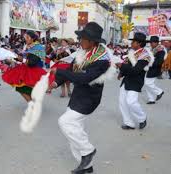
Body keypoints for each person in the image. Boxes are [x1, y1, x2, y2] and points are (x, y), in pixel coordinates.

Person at [49, 22, 113, 174]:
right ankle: (86, 166)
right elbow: (71, 70)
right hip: (78, 96)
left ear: (92, 41)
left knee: (65, 122)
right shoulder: (82, 52)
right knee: (76, 130)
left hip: (89, 99)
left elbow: (84, 78)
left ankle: (88, 151)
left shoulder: (102, 60)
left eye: (83, 38)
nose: (80, 41)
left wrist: (59, 72)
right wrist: (56, 83)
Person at [116, 32, 153, 130]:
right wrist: (121, 73)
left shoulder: (145, 56)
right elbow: (128, 65)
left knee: (131, 101)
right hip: (127, 80)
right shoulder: (132, 53)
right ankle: (129, 123)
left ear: (139, 43)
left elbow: (136, 70)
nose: (131, 44)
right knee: (122, 102)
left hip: (136, 81)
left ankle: (142, 118)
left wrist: (121, 66)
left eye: (134, 42)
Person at [2, 30, 46, 102]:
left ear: (33, 38)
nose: (25, 39)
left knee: (26, 89)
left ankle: (33, 105)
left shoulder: (38, 47)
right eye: (25, 37)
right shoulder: (28, 46)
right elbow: (23, 57)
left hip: (34, 71)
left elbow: (32, 63)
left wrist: (21, 59)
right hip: (26, 70)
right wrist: (13, 56)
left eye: (27, 37)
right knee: (22, 88)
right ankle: (32, 104)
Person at [144, 36, 165, 104]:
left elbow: (159, 61)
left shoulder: (160, 50)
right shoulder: (152, 49)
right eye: (150, 42)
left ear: (156, 43)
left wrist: (150, 63)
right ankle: (151, 99)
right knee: (147, 84)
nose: (151, 44)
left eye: (152, 43)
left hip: (154, 69)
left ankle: (159, 92)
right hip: (149, 69)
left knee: (148, 83)